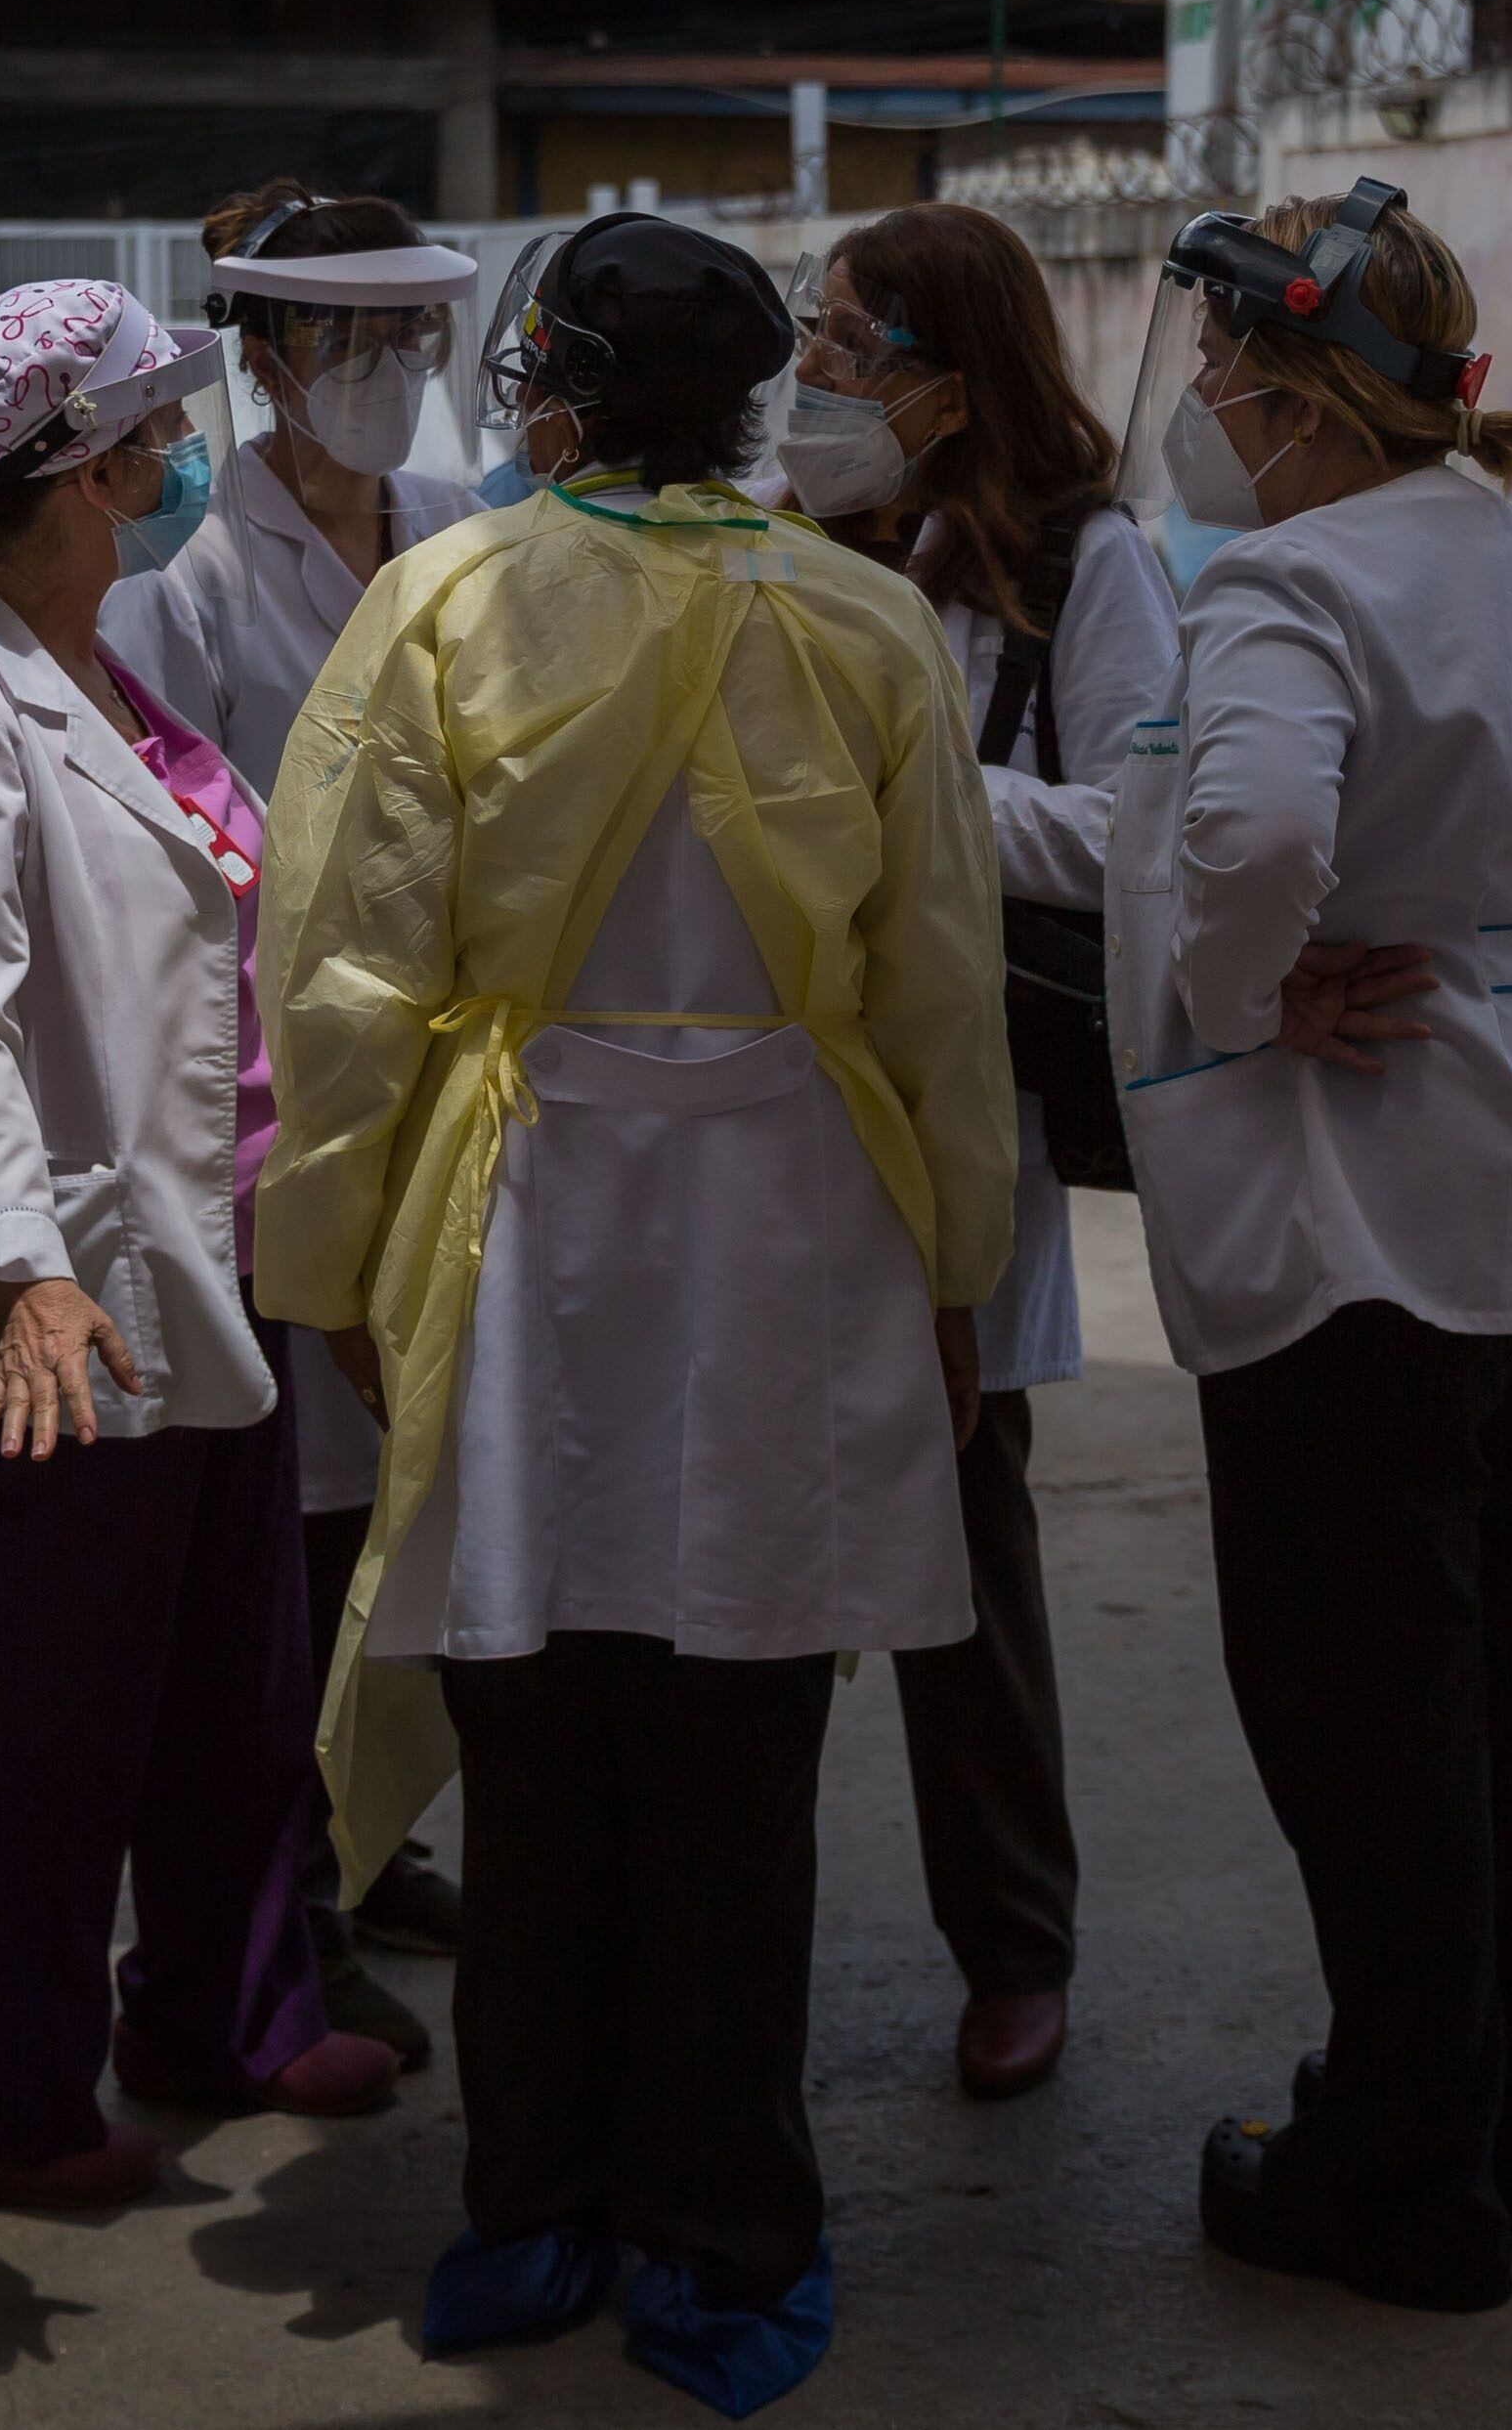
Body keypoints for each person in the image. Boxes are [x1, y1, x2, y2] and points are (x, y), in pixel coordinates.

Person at [253, 212, 1014, 2415]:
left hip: (526, 1210)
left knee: (536, 1719)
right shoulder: (864, 622)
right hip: (792, 1222)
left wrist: (330, 1255)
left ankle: (535, 2202)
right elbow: (941, 1000)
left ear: (546, 393)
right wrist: (954, 1269)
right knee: (741, 1743)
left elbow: (346, 977)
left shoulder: (440, 605)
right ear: (759, 407)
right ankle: (727, 2223)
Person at [1106, 179, 1512, 2316]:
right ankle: (1507, 2120)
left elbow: (1256, 837)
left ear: (1283, 393)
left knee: (1371, 1697)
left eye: (1215, 376)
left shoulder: (1290, 577)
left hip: (1384, 1200)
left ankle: (1391, 2163)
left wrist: (1246, 994)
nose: (1195, 412)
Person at [0, 278, 399, 2215]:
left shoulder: (92, 670)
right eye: (144, 440)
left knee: (227, 1677)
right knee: (41, 1700)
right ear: (78, 474)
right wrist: (18, 1261)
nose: (171, 466)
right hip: (80, 1288)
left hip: (212, 1251)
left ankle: (219, 2008)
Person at [769, 201, 1167, 2104]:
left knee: (961, 1532)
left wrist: (923, 794)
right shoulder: (800, 540)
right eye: (815, 340)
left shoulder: (1085, 562)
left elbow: (1129, 832)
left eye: (850, 341)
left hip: (957, 1099)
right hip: (775, 1088)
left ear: (947, 368)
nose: (817, 375)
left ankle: (1015, 1943)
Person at [104, 182, 486, 2063]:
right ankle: (286, 1916)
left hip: (444, 1090)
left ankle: (374, 1824)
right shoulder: (191, 584)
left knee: (418, 1491)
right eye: (348, 344)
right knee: (299, 1527)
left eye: (412, 340)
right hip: (274, 1112)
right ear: (260, 363)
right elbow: (168, 876)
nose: (388, 378)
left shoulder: (461, 528)